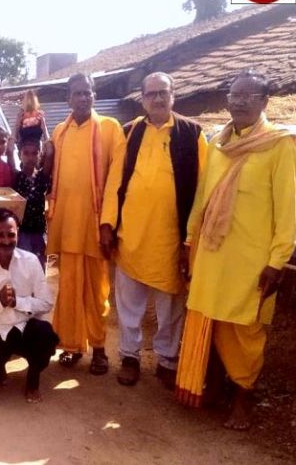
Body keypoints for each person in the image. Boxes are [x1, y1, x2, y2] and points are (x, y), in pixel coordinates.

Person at [176, 71, 296, 431]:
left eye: (248, 95)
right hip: (211, 254)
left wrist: (277, 262)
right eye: (234, 94)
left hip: (252, 261)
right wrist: (188, 242)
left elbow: (289, 210)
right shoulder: (218, 143)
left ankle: (243, 397)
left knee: (245, 330)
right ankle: (210, 387)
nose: (239, 101)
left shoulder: (281, 146)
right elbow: (203, 197)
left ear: (264, 101)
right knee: (209, 321)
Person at [100, 72, 207, 389]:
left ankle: (167, 360)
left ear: (174, 96)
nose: (158, 99)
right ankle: (130, 357)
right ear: (142, 98)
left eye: (164, 93)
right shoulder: (130, 132)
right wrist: (108, 223)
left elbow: (203, 188)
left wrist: (192, 239)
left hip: (171, 239)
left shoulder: (192, 134)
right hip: (131, 235)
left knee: (169, 305)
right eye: (152, 94)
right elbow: (114, 181)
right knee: (129, 304)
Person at [46, 73, 125, 375]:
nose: (83, 98)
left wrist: (108, 223)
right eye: (77, 93)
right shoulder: (59, 132)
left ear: (94, 95)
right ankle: (71, 345)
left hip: (94, 228)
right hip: (65, 227)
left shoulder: (109, 128)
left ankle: (100, 348)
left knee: (96, 292)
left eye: (88, 92)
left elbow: (116, 179)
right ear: (68, 97)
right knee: (67, 290)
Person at [0, 208, 58, 402]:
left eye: (11, 234)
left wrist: (18, 302)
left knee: (46, 335)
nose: (6, 241)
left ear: (18, 234)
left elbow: (46, 302)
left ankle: (33, 381)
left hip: (24, 326)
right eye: (0, 235)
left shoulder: (30, 261)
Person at [12, 126, 53, 270]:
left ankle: (38, 293)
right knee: (22, 268)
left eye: (35, 153)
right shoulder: (16, 176)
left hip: (38, 231)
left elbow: (50, 151)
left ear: (39, 155)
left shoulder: (42, 177)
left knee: (39, 268)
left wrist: (43, 126)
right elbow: (10, 148)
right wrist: (17, 123)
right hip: (21, 231)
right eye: (26, 153)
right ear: (20, 155)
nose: (30, 157)